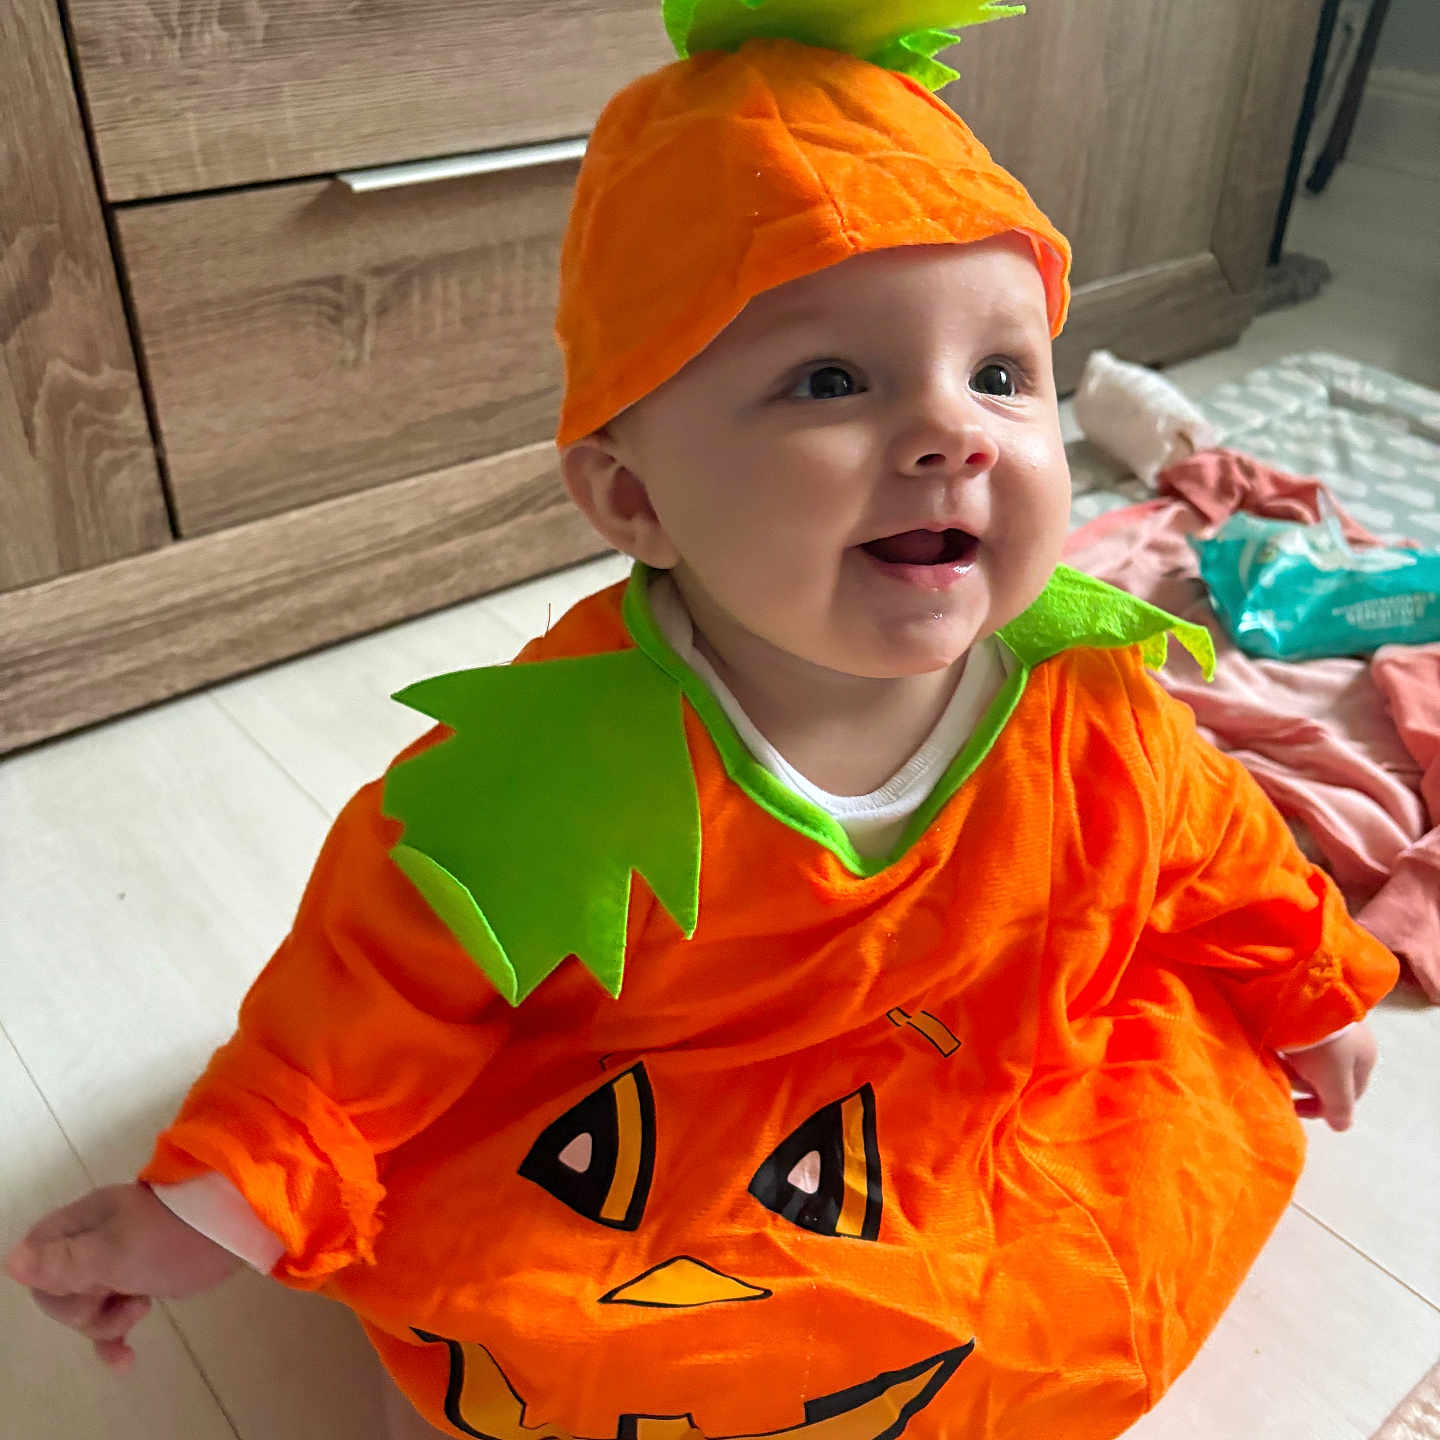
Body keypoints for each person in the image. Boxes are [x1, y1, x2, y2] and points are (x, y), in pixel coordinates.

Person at [5, 4, 1397, 1438]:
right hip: (672, 1113)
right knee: (589, 1337)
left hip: (1011, 1061)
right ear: (634, 498)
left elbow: (1207, 845)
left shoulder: (1081, 687)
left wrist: (1315, 981)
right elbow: (375, 988)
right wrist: (213, 1205)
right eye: (830, 382)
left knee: (1114, 1245)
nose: (953, 434)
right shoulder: (569, 757)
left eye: (1000, 374)